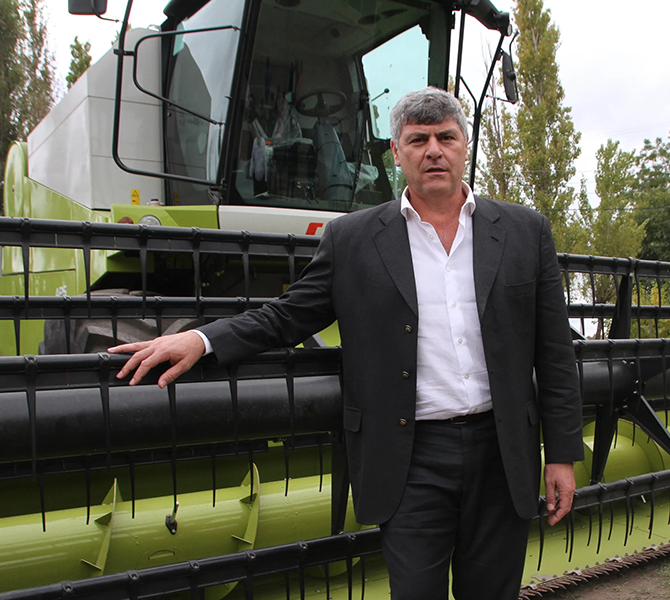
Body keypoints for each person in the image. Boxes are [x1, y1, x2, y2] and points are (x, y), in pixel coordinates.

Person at [110, 87, 584, 600]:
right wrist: (201, 339)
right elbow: (287, 315)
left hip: (502, 453)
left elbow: (555, 354)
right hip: (409, 458)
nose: (433, 151)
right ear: (396, 152)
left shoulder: (524, 232)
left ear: (464, 146)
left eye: (446, 137)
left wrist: (561, 455)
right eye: (418, 140)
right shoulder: (352, 239)